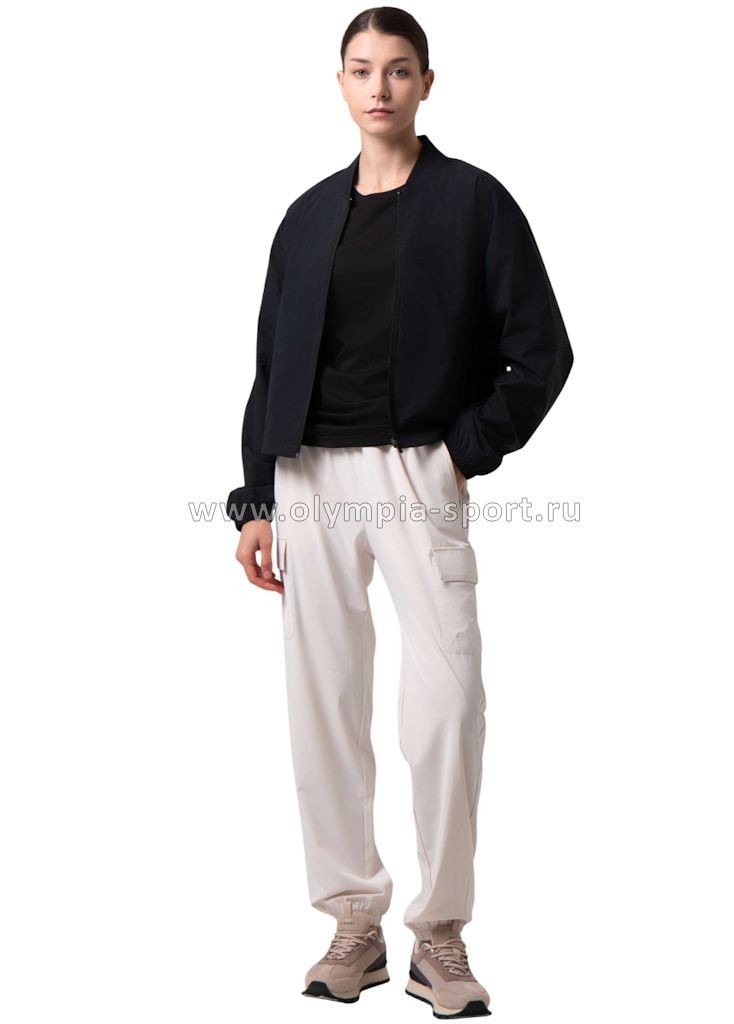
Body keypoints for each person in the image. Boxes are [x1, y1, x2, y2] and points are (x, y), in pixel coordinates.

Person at [226, 7, 573, 1017]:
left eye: (399, 69)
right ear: (340, 82)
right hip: (307, 477)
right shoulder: (304, 217)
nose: (379, 87)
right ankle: (353, 923)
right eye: (362, 69)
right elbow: (269, 365)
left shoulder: (473, 203)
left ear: (426, 82)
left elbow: (541, 351)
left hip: (418, 471)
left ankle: (440, 934)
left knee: (447, 705)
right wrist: (255, 499)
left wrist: (463, 450)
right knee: (324, 704)